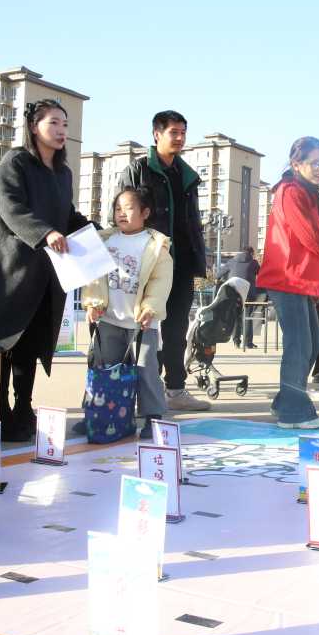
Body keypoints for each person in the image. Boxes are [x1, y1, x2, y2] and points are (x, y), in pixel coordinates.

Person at [0, 99, 92, 441]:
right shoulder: (16, 161)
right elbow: (11, 208)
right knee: (3, 342)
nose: (62, 130)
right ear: (34, 127)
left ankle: (23, 408)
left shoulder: (63, 173)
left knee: (31, 343)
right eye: (54, 123)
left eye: (65, 124)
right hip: (8, 269)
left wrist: (96, 232)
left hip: (43, 272)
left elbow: (66, 216)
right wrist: (45, 233)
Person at [256, 137, 319, 429]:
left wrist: (315, 285)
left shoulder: (305, 192)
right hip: (286, 277)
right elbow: (309, 236)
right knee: (299, 345)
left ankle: (285, 401)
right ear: (296, 164)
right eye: (315, 162)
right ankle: (294, 412)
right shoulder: (291, 191)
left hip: (299, 280)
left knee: (312, 344)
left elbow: (308, 240)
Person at [118, 111, 208, 412]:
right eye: (174, 132)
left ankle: (176, 389)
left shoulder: (187, 175)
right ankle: (146, 391)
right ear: (157, 134)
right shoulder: (138, 170)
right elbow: (121, 214)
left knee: (177, 330)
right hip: (149, 264)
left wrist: (199, 258)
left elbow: (192, 221)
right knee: (147, 328)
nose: (180, 138)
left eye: (183, 132)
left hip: (181, 264)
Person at [78, 187, 172, 439]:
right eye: (118, 208)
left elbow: (160, 282)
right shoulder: (104, 240)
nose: (122, 213)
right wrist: (92, 303)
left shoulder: (156, 246)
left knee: (146, 370)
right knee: (103, 367)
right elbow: (93, 277)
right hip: (109, 320)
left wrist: (150, 308)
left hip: (142, 323)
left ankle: (153, 417)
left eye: (129, 208)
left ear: (145, 213)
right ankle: (95, 413)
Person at [225, 246, 259, 348]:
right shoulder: (254, 263)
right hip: (248, 293)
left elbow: (219, 274)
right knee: (248, 316)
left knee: (236, 316)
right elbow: (261, 274)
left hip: (234, 293)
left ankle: (236, 342)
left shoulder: (231, 261)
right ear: (251, 253)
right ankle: (248, 343)